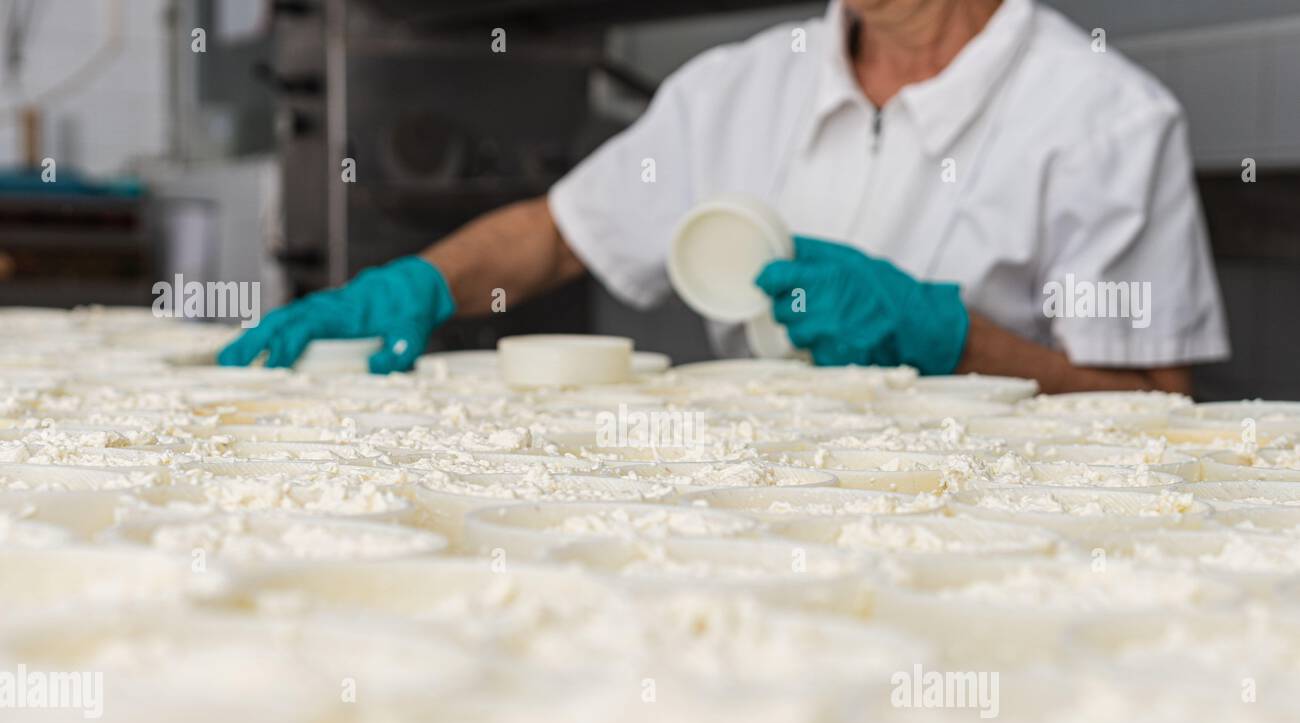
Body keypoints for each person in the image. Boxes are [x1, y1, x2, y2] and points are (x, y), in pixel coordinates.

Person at [219, 0, 1229, 394]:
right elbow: (557, 237)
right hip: (750, 526)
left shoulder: (1102, 120)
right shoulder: (743, 86)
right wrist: (415, 288)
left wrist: (955, 341)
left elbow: (1153, 414)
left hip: (994, 553)